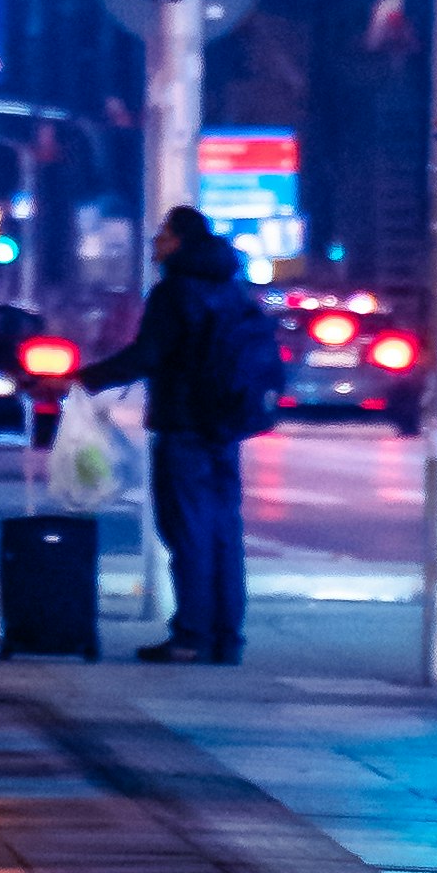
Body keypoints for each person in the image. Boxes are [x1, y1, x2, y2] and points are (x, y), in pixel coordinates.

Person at [72, 206, 279, 665]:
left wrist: (85, 379)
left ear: (180, 241)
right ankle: (227, 638)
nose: (155, 243)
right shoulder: (232, 290)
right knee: (224, 531)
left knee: (187, 531)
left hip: (184, 427)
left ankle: (189, 635)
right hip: (225, 427)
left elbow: (147, 354)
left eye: (162, 235)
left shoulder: (174, 292)